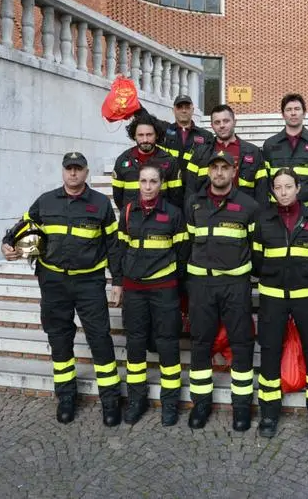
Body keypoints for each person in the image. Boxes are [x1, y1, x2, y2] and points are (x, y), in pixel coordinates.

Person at [0, 152, 123, 426]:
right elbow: (20, 227)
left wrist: (118, 281)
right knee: (59, 339)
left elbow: (114, 246)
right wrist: (8, 244)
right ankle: (66, 397)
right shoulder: (45, 201)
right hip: (54, 281)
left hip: (89, 282)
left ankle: (111, 401)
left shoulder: (101, 204)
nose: (73, 174)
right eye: (69, 169)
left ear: (87, 172)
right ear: (63, 171)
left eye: (78, 169)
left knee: (100, 338)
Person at [251, 168, 308, 441]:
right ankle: (269, 414)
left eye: (288, 186)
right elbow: (257, 262)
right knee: (270, 353)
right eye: (278, 187)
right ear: (272, 191)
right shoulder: (263, 222)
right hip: (273, 296)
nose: (283, 192)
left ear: (298, 188)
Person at [183, 150, 259, 430]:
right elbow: (187, 244)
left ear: (233, 171)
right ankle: (201, 404)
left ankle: (241, 407)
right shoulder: (194, 204)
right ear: (207, 172)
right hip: (201, 285)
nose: (218, 173)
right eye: (214, 167)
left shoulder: (249, 206)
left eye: (224, 168)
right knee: (201, 344)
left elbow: (256, 247)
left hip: (235, 286)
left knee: (241, 344)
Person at [110, 162, 189, 427]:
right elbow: (120, 249)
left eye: (153, 181)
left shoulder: (174, 214)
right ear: (137, 184)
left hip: (164, 288)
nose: (147, 187)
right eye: (143, 181)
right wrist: (118, 282)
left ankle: (170, 403)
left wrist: (172, 282)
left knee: (167, 344)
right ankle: (137, 400)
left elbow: (182, 254)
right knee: (135, 344)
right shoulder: (128, 211)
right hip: (134, 289)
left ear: (161, 184)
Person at [185, 104, 268, 205]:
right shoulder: (200, 153)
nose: (222, 125)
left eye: (226, 121)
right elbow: (190, 189)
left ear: (234, 122)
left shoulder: (253, 152)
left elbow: (262, 192)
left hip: (243, 212)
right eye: (217, 122)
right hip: (208, 213)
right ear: (212, 126)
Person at [261, 94, 308, 207]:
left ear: (304, 113)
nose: (293, 113)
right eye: (288, 109)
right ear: (283, 114)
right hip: (277, 212)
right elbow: (265, 180)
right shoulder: (269, 145)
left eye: (297, 109)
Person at [111, 113, 182, 211]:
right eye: (141, 135)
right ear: (134, 136)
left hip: (162, 221)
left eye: (149, 135)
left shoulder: (169, 161)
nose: (145, 140)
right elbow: (118, 196)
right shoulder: (122, 160)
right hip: (133, 220)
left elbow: (176, 197)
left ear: (156, 135)